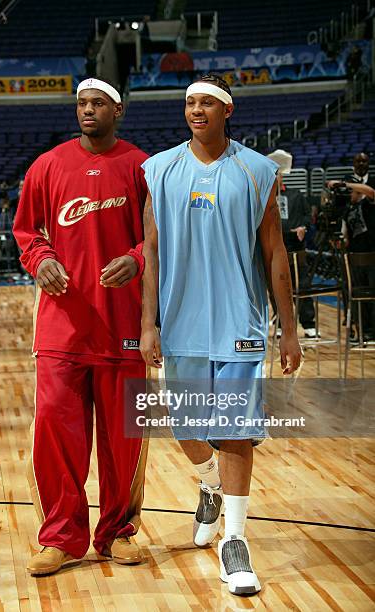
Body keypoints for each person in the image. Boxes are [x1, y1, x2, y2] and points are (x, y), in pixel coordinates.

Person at [140, 73, 301, 596]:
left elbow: (276, 252)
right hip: (181, 321)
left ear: (227, 110)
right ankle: (208, 481)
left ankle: (235, 539)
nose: (196, 110)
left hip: (241, 322)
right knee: (186, 427)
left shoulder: (256, 171)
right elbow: (152, 254)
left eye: (207, 102)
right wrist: (148, 323)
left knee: (233, 428)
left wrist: (289, 329)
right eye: (189, 102)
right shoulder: (159, 170)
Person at [13, 77, 149, 576]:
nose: (87, 110)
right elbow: (27, 232)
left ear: (119, 110)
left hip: (125, 327)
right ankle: (61, 537)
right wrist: (40, 257)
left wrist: (136, 259)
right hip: (61, 328)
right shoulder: (47, 166)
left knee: (126, 437)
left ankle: (119, 532)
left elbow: (159, 237)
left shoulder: (141, 167)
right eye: (81, 103)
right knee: (55, 432)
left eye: (98, 103)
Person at [327, 152, 375, 341]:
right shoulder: (346, 183)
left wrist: (345, 185)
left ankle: (372, 330)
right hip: (353, 249)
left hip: (372, 247)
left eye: (364, 160)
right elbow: (343, 215)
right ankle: (359, 330)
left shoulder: (367, 183)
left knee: (372, 291)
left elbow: (371, 192)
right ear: (353, 163)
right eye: (358, 160)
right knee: (354, 291)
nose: (361, 163)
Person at [269, 157, 316, 338]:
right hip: (276, 246)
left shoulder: (296, 194)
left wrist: (303, 227)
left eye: (277, 176)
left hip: (296, 245)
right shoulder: (265, 199)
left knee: (302, 284)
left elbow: (307, 216)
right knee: (277, 287)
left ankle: (309, 323)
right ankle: (281, 322)